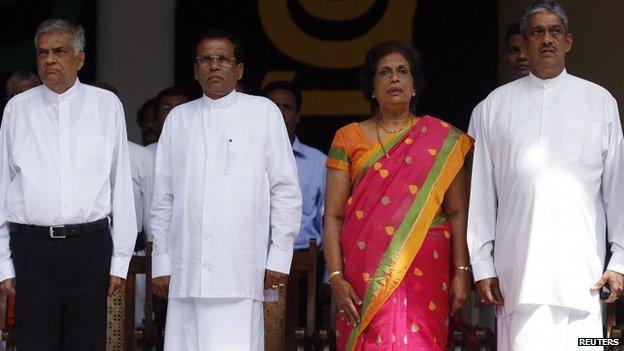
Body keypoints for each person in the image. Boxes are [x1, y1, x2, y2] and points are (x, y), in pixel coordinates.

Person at [468, 1, 624, 350]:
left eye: (555, 31)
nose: (547, 39)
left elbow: (618, 189)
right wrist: (482, 265)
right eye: (537, 31)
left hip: (583, 278)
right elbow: (480, 195)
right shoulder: (493, 107)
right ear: (523, 44)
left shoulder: (600, 103)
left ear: (568, 41)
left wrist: (620, 261)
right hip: (518, 279)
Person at [150, 29, 302, 350]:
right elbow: (162, 198)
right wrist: (161, 261)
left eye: (222, 59)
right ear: (195, 69)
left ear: (239, 69)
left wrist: (279, 256)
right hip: (186, 272)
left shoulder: (262, 113)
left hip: (240, 271)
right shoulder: (178, 119)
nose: (214, 65)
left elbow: (285, 190)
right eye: (206, 59)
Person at [324, 41, 472, 351]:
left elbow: (458, 212)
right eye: (385, 73)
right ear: (372, 88)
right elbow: (334, 216)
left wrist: (461, 272)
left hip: (426, 274)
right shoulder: (348, 138)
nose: (394, 78)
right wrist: (336, 277)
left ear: (414, 86)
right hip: (363, 277)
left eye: (402, 72)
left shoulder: (443, 140)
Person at [0, 19, 136, 350]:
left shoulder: (106, 106)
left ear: (80, 59)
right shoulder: (18, 109)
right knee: (34, 343)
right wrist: (4, 263)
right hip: (32, 249)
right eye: (42, 52)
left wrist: (119, 261)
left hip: (89, 247)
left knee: (86, 343)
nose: (49, 59)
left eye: (59, 51)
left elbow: (120, 187)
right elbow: (4, 185)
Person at [262, 80, 326, 250]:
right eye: (274, 107)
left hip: (306, 263)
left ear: (298, 116)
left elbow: (329, 220)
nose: (280, 113)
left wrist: (327, 274)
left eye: (287, 107)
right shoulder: (244, 157)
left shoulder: (319, 162)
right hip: (253, 260)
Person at [145, 87, 190, 155]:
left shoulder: (206, 150)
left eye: (181, 107)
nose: (173, 113)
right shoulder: (146, 154)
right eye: (166, 108)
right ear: (156, 118)